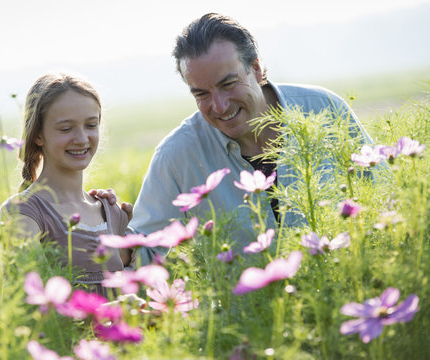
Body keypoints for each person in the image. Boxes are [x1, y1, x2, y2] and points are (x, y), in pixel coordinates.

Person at [128, 13, 375, 264]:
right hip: (248, 304)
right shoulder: (177, 155)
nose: (220, 106)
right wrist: (100, 219)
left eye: (228, 84)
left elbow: (382, 194)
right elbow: (141, 250)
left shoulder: (324, 109)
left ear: (256, 69)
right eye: (201, 94)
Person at [0, 73, 133, 297]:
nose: (81, 138)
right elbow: (31, 305)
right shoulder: (22, 213)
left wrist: (126, 229)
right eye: (65, 129)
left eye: (90, 125)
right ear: (38, 135)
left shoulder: (109, 210)